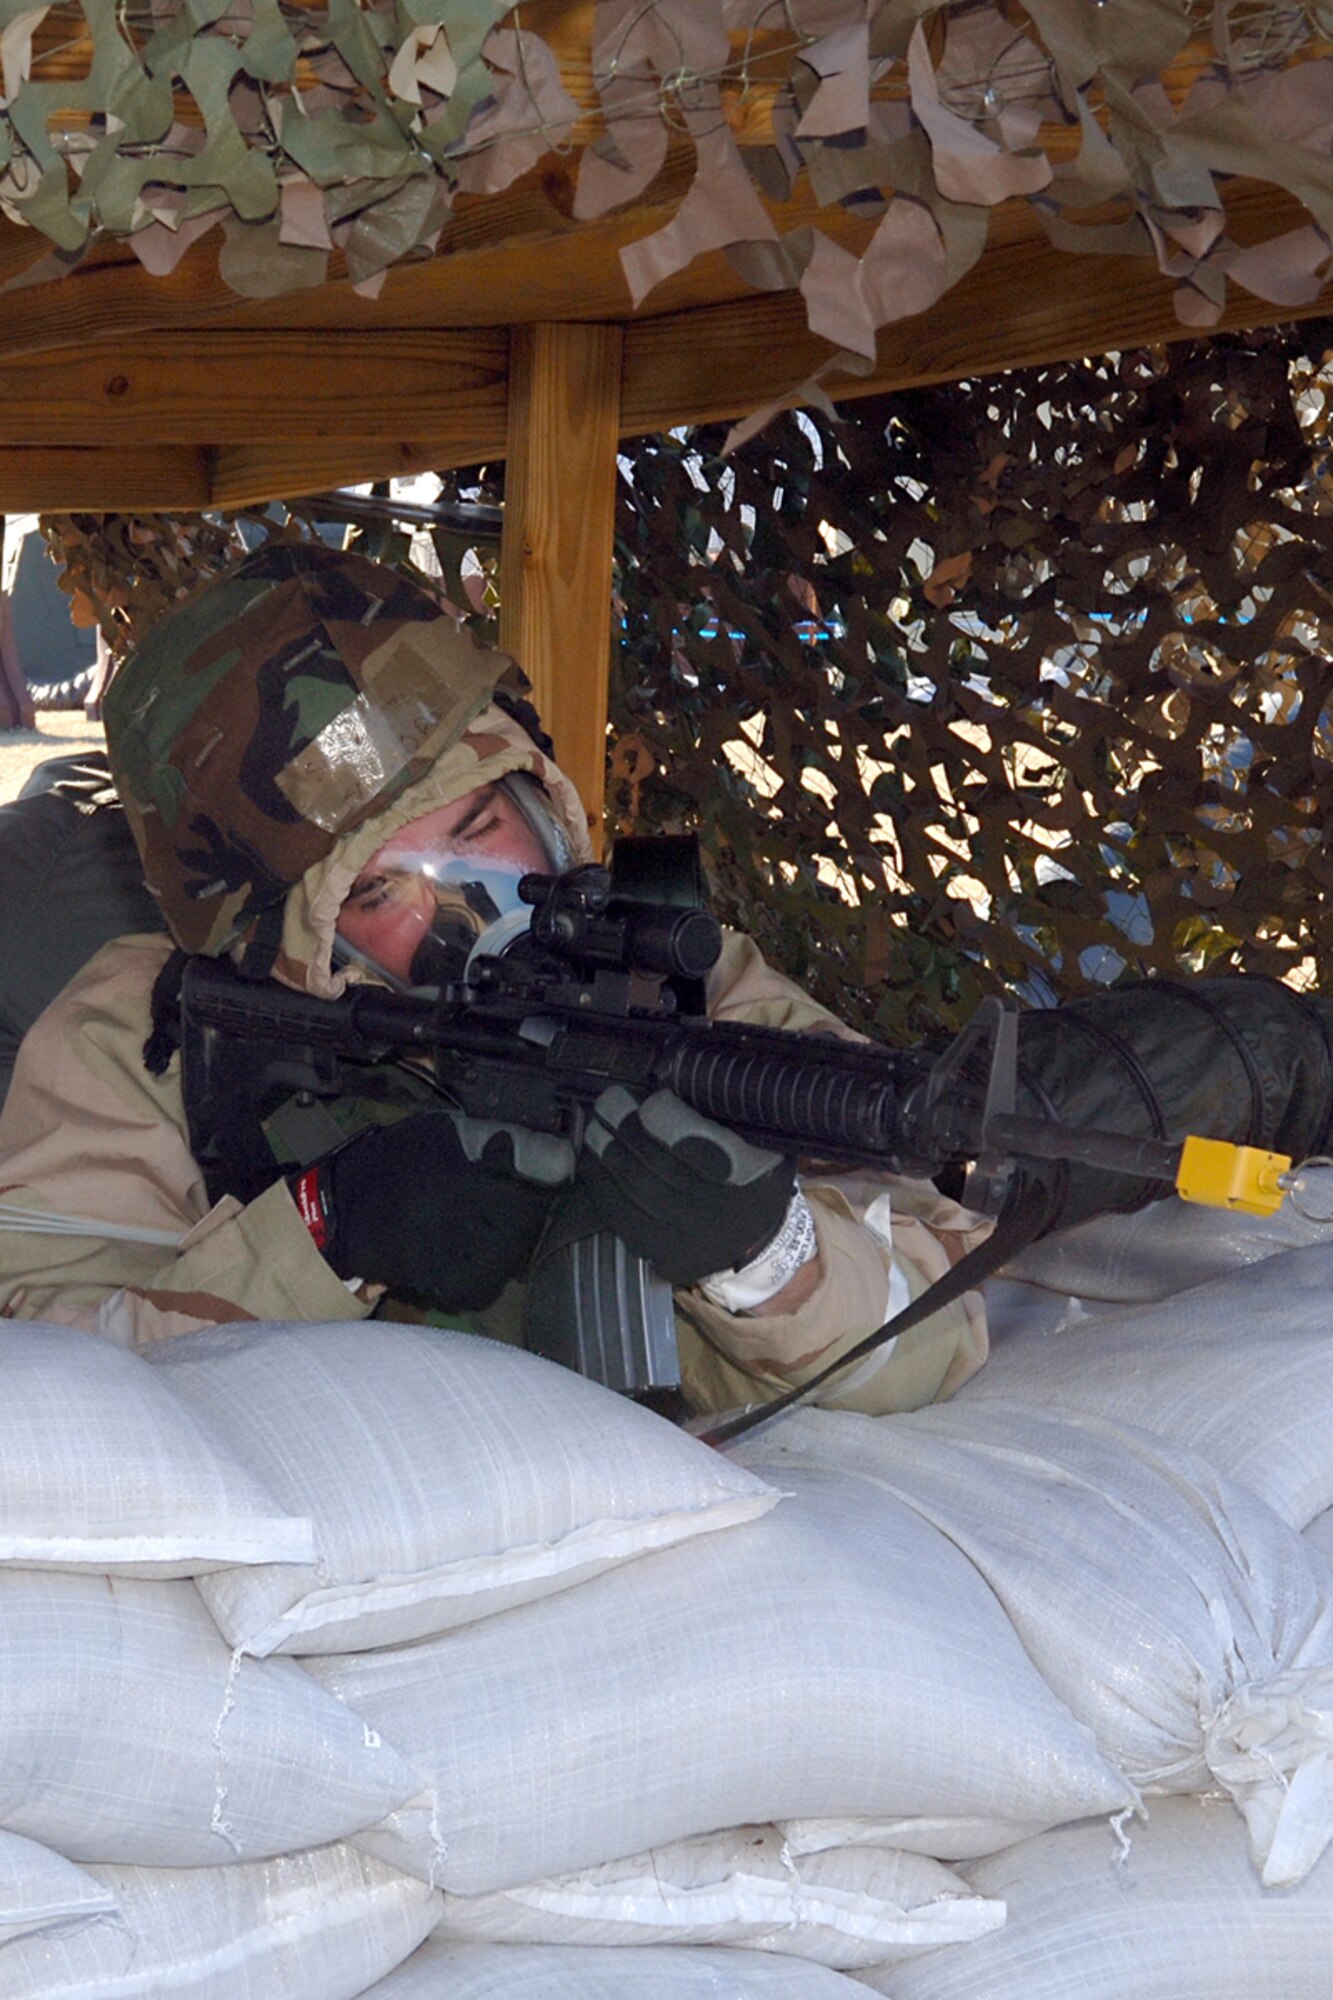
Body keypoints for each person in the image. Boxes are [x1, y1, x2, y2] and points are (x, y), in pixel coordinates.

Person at [1, 542, 1331, 1418]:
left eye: (480, 835)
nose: (474, 909)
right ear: (282, 935)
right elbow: (40, 1376)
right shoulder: (149, 1032)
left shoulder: (672, 980)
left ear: (546, 797)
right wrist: (321, 1232)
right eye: (382, 893)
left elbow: (932, 1328)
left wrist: (767, 1258)